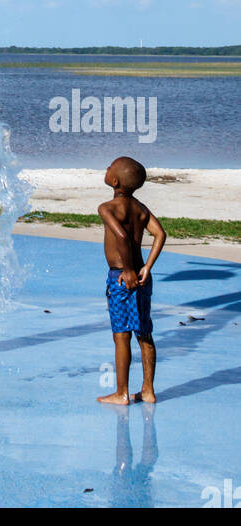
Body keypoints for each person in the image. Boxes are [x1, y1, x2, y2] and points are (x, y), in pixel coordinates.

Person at [97, 157, 166, 406]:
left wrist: (126, 269)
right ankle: (148, 390)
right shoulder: (140, 209)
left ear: (114, 181)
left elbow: (122, 236)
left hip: (121, 278)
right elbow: (161, 234)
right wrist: (146, 266)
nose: (106, 169)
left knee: (121, 334)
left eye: (109, 167)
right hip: (142, 277)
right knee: (144, 332)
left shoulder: (106, 208)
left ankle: (122, 392)